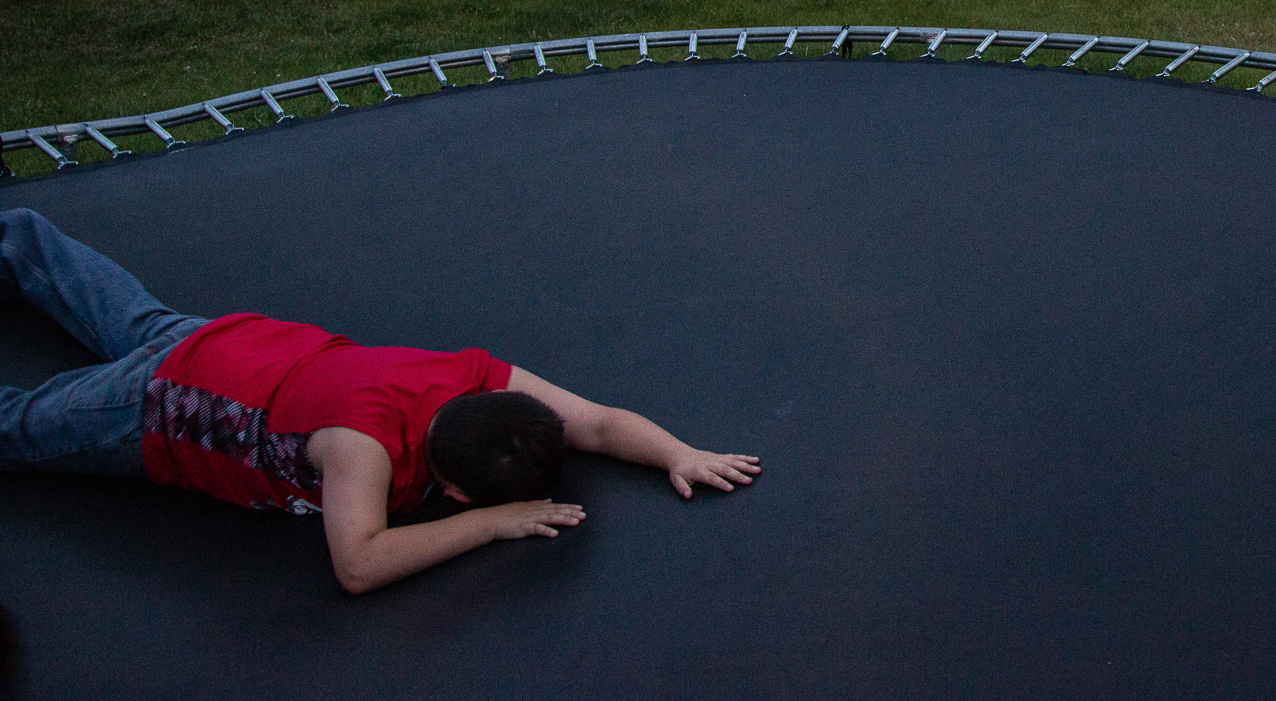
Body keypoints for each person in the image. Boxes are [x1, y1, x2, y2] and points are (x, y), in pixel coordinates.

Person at [0, 207, 759, 594]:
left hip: (225, 340)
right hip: (153, 403)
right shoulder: (361, 447)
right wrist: (492, 522)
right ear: (452, 489)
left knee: (104, 294)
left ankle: (17, 232)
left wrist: (678, 452)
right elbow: (357, 563)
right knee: (17, 428)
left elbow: (592, 420)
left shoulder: (467, 372)